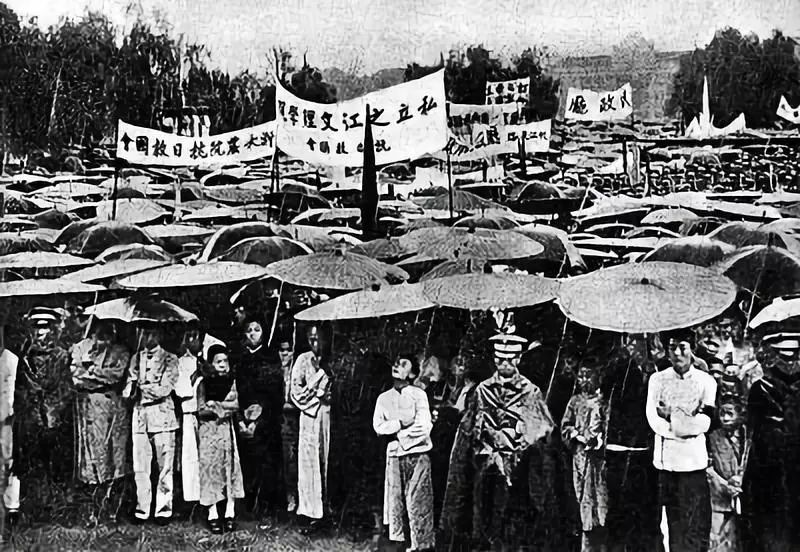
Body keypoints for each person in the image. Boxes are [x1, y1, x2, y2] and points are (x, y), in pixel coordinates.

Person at [440, 330, 555, 550]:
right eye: (500, 360)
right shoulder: (482, 390)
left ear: (518, 359)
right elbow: (469, 428)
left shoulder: (531, 391)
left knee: (514, 524)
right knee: (483, 518)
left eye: (510, 360)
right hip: (485, 466)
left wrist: (521, 439)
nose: (505, 364)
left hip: (518, 469)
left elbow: (541, 432)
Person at [646, 327, 717, 552]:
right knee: (669, 526)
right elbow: (653, 420)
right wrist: (684, 424)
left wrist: (672, 416)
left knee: (694, 526)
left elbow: (705, 423)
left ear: (692, 349)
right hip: (666, 464)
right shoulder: (657, 380)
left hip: (693, 464)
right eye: (672, 348)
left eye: (682, 347)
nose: (677, 353)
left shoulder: (706, 382)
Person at [11, 308, 74, 512]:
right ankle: (33, 505)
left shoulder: (61, 355)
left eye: (45, 328)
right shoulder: (24, 356)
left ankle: (57, 504)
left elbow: (63, 388)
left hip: (53, 417)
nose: (40, 332)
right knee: (30, 460)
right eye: (37, 328)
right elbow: (18, 387)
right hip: (30, 417)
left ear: (52, 330)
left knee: (55, 461)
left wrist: (51, 410)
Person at [744, 330, 800, 552]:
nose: (790, 363)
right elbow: (753, 431)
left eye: (793, 356)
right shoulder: (760, 389)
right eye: (784, 356)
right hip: (769, 469)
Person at [373, 355, 435, 552]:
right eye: (395, 363)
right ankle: (400, 543)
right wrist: (399, 424)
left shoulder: (419, 395)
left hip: (418, 454)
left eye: (403, 364)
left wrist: (400, 437)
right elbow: (378, 426)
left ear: (413, 373)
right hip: (394, 455)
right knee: (395, 501)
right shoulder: (384, 398)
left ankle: (420, 546)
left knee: (418, 501)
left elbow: (424, 427)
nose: (397, 366)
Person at [123, 325, 180, 525]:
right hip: (140, 417)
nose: (148, 336)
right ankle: (142, 509)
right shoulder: (136, 358)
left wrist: (141, 386)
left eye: (153, 332)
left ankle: (163, 510)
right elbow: (127, 390)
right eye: (145, 332)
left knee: (165, 465)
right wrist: (131, 387)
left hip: (162, 416)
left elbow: (164, 389)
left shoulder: (170, 358)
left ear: (160, 334)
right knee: (140, 466)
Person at [70, 320, 131, 490]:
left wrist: (92, 371)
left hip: (108, 401)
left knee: (108, 443)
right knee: (88, 442)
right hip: (86, 401)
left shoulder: (120, 351)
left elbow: (116, 375)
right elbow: (75, 373)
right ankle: (90, 483)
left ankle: (109, 484)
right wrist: (93, 375)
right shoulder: (82, 348)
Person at [232, 316, 285, 515]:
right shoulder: (240, 358)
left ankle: (267, 505)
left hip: (267, 419)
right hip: (244, 418)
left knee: (268, 462)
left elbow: (275, 393)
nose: (253, 334)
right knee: (248, 461)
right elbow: (236, 390)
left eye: (257, 329)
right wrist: (241, 418)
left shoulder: (271, 357)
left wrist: (260, 418)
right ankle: (248, 503)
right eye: (249, 330)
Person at [561, 359, 608, 552]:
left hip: (599, 459)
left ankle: (601, 530)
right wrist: (576, 435)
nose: (584, 380)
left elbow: (607, 426)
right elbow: (565, 426)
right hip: (580, 456)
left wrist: (599, 440)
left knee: (600, 493)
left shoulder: (604, 401)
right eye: (580, 376)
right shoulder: (575, 401)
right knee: (582, 494)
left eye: (588, 375)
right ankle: (586, 533)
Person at [197, 345, 244, 534]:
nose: (223, 365)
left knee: (229, 467)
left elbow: (236, 404)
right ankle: (213, 513)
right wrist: (222, 409)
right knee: (210, 469)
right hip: (209, 431)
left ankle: (230, 511)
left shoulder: (232, 382)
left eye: (225, 361)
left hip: (226, 431)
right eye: (218, 361)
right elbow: (201, 409)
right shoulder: (203, 383)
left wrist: (216, 405)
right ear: (211, 364)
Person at [290, 325, 332, 531]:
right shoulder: (303, 360)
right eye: (311, 339)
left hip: (330, 416)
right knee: (309, 463)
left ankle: (330, 510)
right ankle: (311, 512)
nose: (315, 343)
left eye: (318, 338)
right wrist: (317, 395)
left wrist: (330, 396)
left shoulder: (333, 360)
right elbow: (295, 392)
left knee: (328, 460)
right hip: (310, 415)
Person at [706, 395, 748, 552]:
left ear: (741, 415)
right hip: (719, 502)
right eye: (722, 413)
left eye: (730, 413)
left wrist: (741, 480)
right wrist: (725, 486)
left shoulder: (749, 438)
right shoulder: (712, 438)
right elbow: (708, 469)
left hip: (745, 500)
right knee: (717, 542)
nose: (725, 418)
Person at [174, 326, 204, 506]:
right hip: (188, 412)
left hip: (205, 414)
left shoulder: (205, 359)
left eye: (197, 336)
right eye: (190, 336)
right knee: (190, 456)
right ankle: (192, 498)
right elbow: (181, 390)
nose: (194, 340)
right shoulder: (181, 362)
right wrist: (194, 377)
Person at [278, 334, 299, 513]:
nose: (285, 354)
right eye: (281, 350)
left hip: (294, 420)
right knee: (282, 459)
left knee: (293, 459)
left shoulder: (296, 370)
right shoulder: (274, 371)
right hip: (278, 420)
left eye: (288, 350)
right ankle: (285, 497)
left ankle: (295, 495)